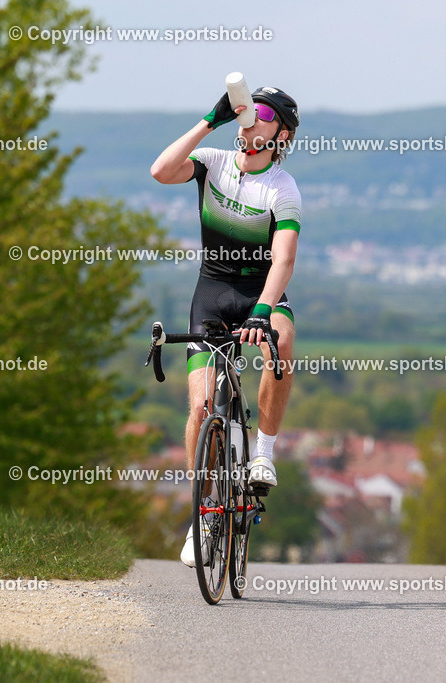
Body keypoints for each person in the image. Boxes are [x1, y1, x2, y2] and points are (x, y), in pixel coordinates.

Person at [150, 85, 302, 567]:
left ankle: (264, 453)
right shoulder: (214, 162)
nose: (250, 119)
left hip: (262, 292)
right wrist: (208, 120)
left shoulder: (283, 188)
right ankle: (203, 515)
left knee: (284, 341)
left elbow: (284, 258)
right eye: (246, 110)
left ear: (280, 133)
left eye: (262, 114)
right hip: (212, 293)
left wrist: (263, 310)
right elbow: (160, 171)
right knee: (200, 408)